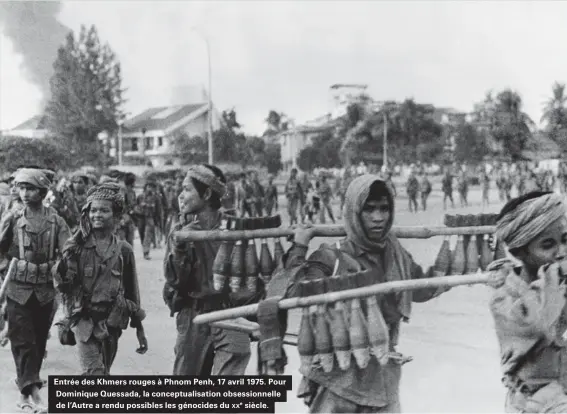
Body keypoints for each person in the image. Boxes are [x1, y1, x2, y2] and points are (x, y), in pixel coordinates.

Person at [273, 174, 450, 413]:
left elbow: (421, 289)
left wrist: (454, 265)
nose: (379, 218)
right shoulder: (331, 256)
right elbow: (294, 293)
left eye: (384, 209)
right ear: (354, 212)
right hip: (338, 381)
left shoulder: (396, 254)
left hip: (382, 376)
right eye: (369, 210)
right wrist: (300, 246)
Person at [163, 165, 261, 376]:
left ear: (207, 194)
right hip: (193, 315)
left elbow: (250, 281)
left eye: (187, 189)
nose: (181, 195)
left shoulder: (234, 229)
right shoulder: (180, 231)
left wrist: (254, 318)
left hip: (230, 314)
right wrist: (180, 247)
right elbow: (175, 281)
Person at [53, 183, 148, 376]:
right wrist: (64, 262)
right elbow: (64, 286)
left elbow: (132, 292)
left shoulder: (124, 250)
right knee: (94, 372)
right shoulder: (77, 247)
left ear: (116, 215)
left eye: (104, 210)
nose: (97, 215)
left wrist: (139, 328)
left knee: (103, 371)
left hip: (112, 321)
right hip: (84, 321)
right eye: (93, 210)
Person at [488, 191, 567, 413]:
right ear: (519, 252)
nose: (561, 252)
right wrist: (553, 276)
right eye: (548, 245)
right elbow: (538, 324)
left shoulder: (558, 285)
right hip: (528, 403)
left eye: (566, 240)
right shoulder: (503, 299)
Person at [0, 168, 71, 413]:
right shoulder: (13, 218)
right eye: (21, 188)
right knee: (22, 340)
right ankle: (34, 392)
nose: (25, 193)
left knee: (39, 340)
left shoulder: (56, 221)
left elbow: (68, 252)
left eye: (31, 188)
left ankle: (26, 389)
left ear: (43, 191)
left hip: (45, 291)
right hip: (18, 290)